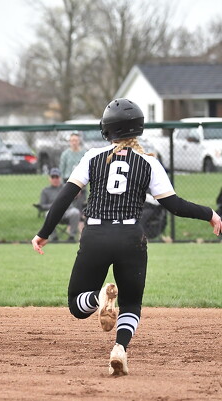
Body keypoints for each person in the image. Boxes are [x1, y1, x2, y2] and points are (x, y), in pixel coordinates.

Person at [31, 98, 222, 376]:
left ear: (107, 129)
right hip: (131, 236)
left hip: (96, 235)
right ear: (138, 128)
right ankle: (120, 348)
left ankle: (97, 298)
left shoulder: (92, 157)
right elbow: (175, 206)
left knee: (76, 304)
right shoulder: (149, 163)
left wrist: (44, 233)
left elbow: (64, 198)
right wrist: (210, 214)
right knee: (131, 304)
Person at [37, 167, 81, 242]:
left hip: (68, 211)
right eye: (53, 177)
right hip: (53, 212)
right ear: (49, 178)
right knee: (48, 214)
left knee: (75, 212)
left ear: (60, 178)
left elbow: (75, 198)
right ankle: (54, 238)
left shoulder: (66, 188)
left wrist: (77, 195)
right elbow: (42, 206)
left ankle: (72, 237)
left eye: (57, 177)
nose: (55, 179)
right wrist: (55, 206)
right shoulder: (45, 191)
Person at [59, 132, 86, 210]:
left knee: (81, 204)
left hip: (81, 180)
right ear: (69, 142)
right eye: (72, 141)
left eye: (76, 140)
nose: (74, 143)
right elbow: (62, 169)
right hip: (68, 179)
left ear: (79, 141)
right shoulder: (65, 154)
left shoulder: (84, 153)